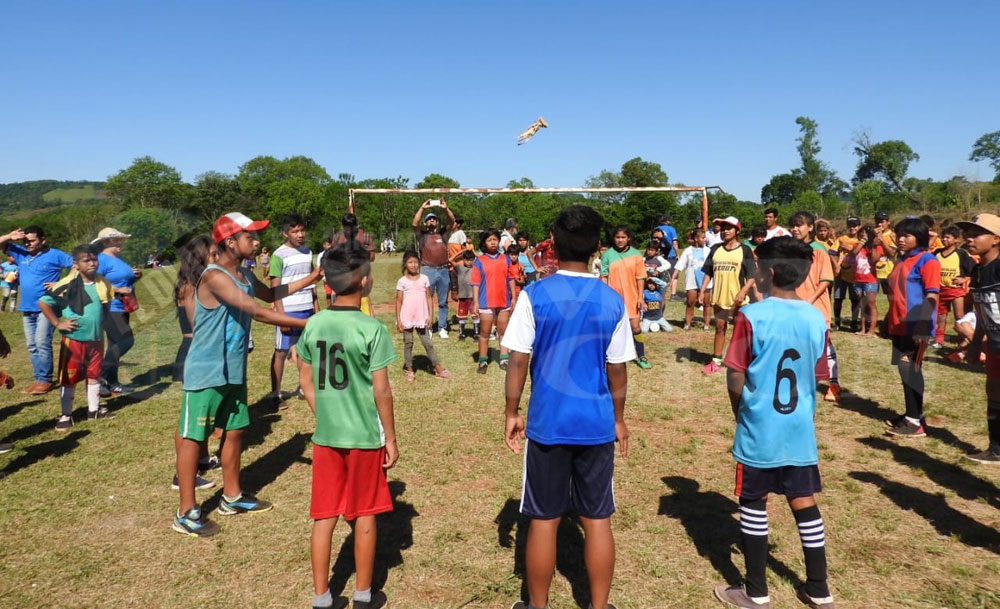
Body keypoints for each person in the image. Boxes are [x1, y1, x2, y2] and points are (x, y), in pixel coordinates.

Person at [501, 204, 634, 609]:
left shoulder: (534, 295)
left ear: (553, 247)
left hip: (548, 424)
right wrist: (618, 419)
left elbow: (518, 360)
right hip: (596, 424)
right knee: (597, 518)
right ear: (597, 247)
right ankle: (599, 605)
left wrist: (511, 411)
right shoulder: (611, 300)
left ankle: (536, 605)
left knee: (543, 520)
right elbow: (617, 369)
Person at [172, 212, 323, 538]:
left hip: (233, 368)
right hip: (206, 369)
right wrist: (309, 323)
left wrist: (311, 278)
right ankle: (186, 511)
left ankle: (232, 497)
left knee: (236, 431)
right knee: (193, 437)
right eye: (250, 237)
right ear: (230, 242)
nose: (257, 242)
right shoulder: (214, 276)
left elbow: (271, 295)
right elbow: (256, 311)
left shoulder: (243, 273)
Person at [714, 236, 835, 609]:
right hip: (799, 428)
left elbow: (736, 373)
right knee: (803, 500)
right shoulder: (816, 318)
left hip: (760, 428)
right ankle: (819, 588)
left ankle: (756, 592)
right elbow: (819, 374)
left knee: (754, 501)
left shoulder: (752, 316)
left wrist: (740, 412)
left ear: (765, 273)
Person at [299, 242, 399, 609]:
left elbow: (306, 382)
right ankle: (363, 595)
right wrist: (391, 438)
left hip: (327, 437)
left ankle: (321, 597)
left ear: (327, 282)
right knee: (365, 513)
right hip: (365, 437)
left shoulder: (314, 324)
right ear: (365, 280)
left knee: (324, 515)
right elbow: (382, 391)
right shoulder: (372, 329)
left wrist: (325, 414)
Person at [38, 246, 116, 429]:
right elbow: (43, 302)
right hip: (73, 339)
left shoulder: (103, 283)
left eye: (94, 259)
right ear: (76, 264)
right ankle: (66, 414)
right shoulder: (67, 284)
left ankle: (93, 410)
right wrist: (58, 323)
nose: (92, 263)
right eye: (86, 260)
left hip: (96, 339)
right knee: (69, 377)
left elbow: (106, 305)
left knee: (94, 374)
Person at [171, 235, 221, 491]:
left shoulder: (198, 283)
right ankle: (181, 476)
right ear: (199, 259)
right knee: (189, 420)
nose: (217, 259)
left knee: (203, 414)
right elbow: (198, 325)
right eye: (213, 255)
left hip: (200, 353)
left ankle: (201, 459)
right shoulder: (191, 287)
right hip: (194, 352)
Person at [0, 226, 74, 394]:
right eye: (25, 241)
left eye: (32, 241)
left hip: (47, 306)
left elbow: (76, 265)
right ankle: (39, 378)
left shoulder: (55, 255)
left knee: (41, 342)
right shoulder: (21, 253)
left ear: (43, 240)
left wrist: (62, 283)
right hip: (27, 307)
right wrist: (10, 236)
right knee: (32, 345)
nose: (28, 244)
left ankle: (45, 380)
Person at [884, 217, 941, 438]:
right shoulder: (902, 260)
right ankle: (912, 413)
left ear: (919, 237)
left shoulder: (928, 260)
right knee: (904, 370)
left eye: (906, 235)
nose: (900, 239)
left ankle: (915, 422)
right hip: (898, 325)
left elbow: (932, 294)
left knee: (911, 369)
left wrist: (923, 324)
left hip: (915, 324)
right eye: (899, 235)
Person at [789, 211, 842, 403]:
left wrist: (809, 300)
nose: (795, 229)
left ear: (810, 227)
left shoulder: (819, 250)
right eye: (793, 226)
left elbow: (826, 279)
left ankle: (834, 384)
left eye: (799, 225)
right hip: (795, 307)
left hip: (815, 307)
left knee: (824, 345)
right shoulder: (791, 250)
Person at [959, 213, 1000, 463]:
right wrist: (975, 345)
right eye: (968, 233)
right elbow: (982, 310)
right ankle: (996, 448)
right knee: (993, 392)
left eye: (976, 234)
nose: (969, 238)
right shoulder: (977, 270)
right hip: (994, 345)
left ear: (996, 239)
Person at [268, 212, 319, 409]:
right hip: (288, 311)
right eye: (295, 231)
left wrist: (316, 308)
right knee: (281, 352)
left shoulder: (307, 253)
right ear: (285, 233)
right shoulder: (278, 255)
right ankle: (276, 393)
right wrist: (281, 316)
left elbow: (311, 282)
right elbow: (275, 288)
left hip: (307, 310)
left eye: (302, 230)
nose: (300, 234)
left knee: (305, 351)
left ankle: (304, 386)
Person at [700, 217, 757, 374]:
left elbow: (752, 275)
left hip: (738, 298)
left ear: (737, 231)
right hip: (719, 296)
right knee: (720, 327)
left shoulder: (745, 250)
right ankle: (716, 360)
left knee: (741, 330)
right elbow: (708, 273)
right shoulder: (715, 249)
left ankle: (741, 360)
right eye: (723, 228)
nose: (725, 231)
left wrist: (743, 291)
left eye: (729, 228)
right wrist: (702, 290)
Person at [92, 227, 142, 396]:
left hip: (122, 306)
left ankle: (112, 383)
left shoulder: (118, 259)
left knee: (114, 346)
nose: (121, 242)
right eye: (117, 240)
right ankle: (99, 374)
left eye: (121, 239)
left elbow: (123, 280)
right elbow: (94, 282)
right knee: (126, 341)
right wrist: (118, 289)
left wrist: (136, 276)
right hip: (109, 307)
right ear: (106, 242)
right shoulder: (101, 260)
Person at [395, 251, 452, 381]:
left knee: (428, 343)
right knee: (408, 343)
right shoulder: (402, 281)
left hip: (421, 317)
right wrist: (398, 319)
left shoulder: (424, 279)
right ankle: (409, 370)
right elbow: (398, 301)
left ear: (419, 264)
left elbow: (429, 298)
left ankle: (438, 369)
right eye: (410, 262)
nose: (413, 265)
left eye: (416, 262)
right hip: (407, 317)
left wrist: (430, 316)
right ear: (405, 264)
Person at [602, 226, 651, 369]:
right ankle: (607, 356)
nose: (620, 240)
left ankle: (641, 356)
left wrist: (640, 297)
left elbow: (640, 277)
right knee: (611, 328)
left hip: (632, 296)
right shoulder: (607, 255)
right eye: (617, 237)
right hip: (613, 298)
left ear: (628, 238)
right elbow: (604, 276)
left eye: (623, 237)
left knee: (635, 327)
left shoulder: (636, 255)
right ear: (613, 238)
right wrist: (605, 296)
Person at [470, 229, 518, 374]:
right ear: (484, 243)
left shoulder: (505, 259)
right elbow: (475, 283)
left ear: (499, 241)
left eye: (495, 239)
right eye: (489, 240)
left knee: (503, 331)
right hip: (485, 302)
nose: (492, 242)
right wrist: (476, 302)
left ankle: (504, 359)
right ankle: (483, 361)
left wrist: (513, 297)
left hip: (504, 301)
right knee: (485, 332)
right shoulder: (479, 261)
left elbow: (511, 279)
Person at [412, 199, 458, 338]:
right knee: (427, 300)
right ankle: (429, 327)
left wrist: (445, 208)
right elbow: (414, 224)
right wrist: (422, 208)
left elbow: (452, 221)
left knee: (443, 301)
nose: (431, 220)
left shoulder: (443, 234)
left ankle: (442, 327)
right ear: (425, 223)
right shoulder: (422, 236)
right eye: (428, 219)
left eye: (434, 219)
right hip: (428, 270)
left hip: (443, 270)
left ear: (437, 222)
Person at [934, 226, 975, 349]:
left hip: (955, 290)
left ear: (956, 240)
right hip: (940, 289)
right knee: (940, 316)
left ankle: (961, 340)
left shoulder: (961, 254)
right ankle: (939, 339)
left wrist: (964, 278)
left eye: (948, 237)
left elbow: (973, 270)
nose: (944, 239)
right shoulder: (937, 253)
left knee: (959, 315)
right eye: (943, 237)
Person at [672, 229, 712, 331]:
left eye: (705, 237)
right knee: (690, 302)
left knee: (707, 303)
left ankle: (707, 324)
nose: (705, 239)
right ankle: (687, 323)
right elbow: (679, 265)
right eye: (703, 238)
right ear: (696, 239)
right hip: (692, 281)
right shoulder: (688, 251)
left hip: (706, 281)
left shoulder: (708, 251)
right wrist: (672, 278)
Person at [851, 225, 882, 337]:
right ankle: (863, 328)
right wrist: (862, 241)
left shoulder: (876, 247)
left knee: (871, 304)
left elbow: (874, 260)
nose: (862, 235)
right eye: (861, 233)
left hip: (870, 279)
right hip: (857, 279)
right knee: (862, 304)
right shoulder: (857, 245)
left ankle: (871, 330)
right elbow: (854, 252)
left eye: (865, 233)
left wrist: (873, 246)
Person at [832, 217, 861, 331]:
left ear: (859, 226)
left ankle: (854, 323)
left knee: (855, 300)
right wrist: (836, 265)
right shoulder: (841, 239)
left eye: (855, 225)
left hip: (855, 274)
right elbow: (831, 252)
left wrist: (848, 247)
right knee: (838, 299)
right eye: (850, 225)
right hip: (841, 273)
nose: (852, 228)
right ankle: (837, 323)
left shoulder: (861, 240)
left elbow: (861, 253)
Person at [449, 249, 478, 341]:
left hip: (473, 297)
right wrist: (461, 251)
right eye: (467, 260)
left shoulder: (476, 268)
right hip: (463, 297)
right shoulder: (459, 268)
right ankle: (461, 334)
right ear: (463, 259)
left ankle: (476, 334)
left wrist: (473, 252)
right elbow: (450, 260)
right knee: (462, 316)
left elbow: (482, 260)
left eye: (471, 260)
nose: (469, 262)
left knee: (475, 315)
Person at [873, 210, 898, 296]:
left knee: (891, 297)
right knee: (870, 298)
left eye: (882, 222)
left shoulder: (892, 235)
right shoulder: (871, 234)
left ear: (888, 222)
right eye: (877, 221)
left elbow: (892, 253)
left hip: (888, 271)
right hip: (873, 271)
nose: (879, 224)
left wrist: (881, 239)